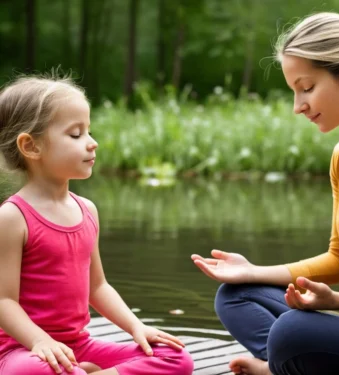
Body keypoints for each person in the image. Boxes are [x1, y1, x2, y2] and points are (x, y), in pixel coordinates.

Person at [191, 12, 339, 375]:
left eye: (307, 87)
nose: (297, 105)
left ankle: (282, 366)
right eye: (294, 91)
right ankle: (290, 363)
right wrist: (253, 271)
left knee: (292, 331)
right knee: (236, 296)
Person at [0, 76, 194, 375]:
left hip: (79, 346)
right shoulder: (13, 217)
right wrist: (40, 341)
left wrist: (137, 327)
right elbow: (3, 300)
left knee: (175, 356)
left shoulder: (87, 210)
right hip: (25, 351)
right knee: (33, 371)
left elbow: (98, 286)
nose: (92, 143)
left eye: (89, 131)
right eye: (76, 135)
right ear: (31, 146)